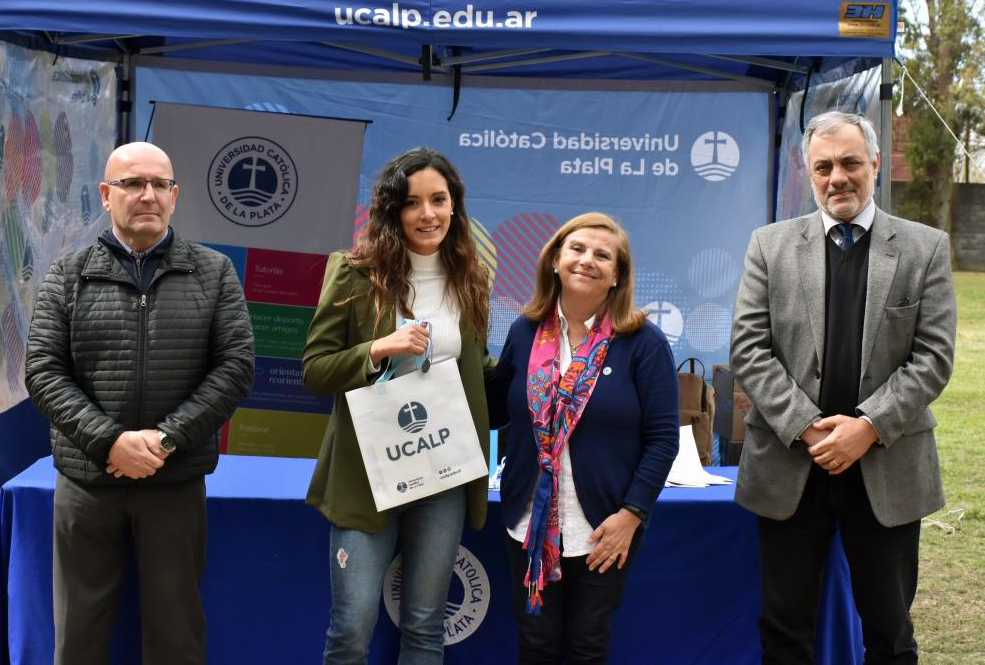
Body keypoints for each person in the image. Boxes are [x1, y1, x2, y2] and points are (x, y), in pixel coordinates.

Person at [730, 111, 956, 664]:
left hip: (887, 465)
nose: (838, 178)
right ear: (809, 172)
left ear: (875, 164)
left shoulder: (925, 248)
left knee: (890, 633)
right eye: (824, 166)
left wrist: (868, 427)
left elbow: (933, 357)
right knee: (784, 633)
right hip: (790, 465)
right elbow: (749, 349)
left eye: (851, 163)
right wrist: (807, 427)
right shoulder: (770, 244)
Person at [24, 142, 255, 665]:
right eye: (131, 184)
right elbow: (42, 370)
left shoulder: (214, 273)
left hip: (173, 480)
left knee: (177, 638)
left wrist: (165, 439)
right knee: (78, 637)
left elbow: (235, 367)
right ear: (106, 195)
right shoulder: (67, 274)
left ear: (174, 196)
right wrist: (110, 441)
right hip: (87, 483)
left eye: (159, 184)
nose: (146, 195)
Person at [302, 147, 493, 664]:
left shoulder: (469, 279)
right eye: (412, 203)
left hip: (443, 470)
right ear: (392, 211)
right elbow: (315, 369)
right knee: (351, 631)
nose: (427, 214)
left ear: (454, 206)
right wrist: (377, 349)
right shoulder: (353, 272)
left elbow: (479, 373)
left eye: (438, 199)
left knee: (427, 628)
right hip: (367, 473)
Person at [487, 212, 680, 664]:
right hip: (528, 523)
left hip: (604, 528)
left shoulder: (643, 343)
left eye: (602, 255)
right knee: (535, 645)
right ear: (555, 259)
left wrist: (632, 515)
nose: (586, 260)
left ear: (617, 275)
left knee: (586, 648)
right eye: (576, 249)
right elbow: (493, 409)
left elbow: (663, 439)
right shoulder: (524, 332)